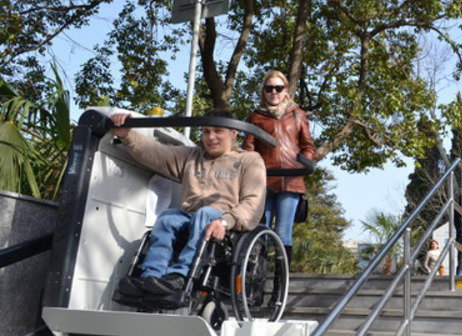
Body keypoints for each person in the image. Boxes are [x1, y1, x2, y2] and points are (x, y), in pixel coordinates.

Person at [111, 110, 267, 296]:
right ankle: (150, 276)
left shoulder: (249, 160)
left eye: (218, 131)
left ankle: (180, 275)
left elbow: (253, 203)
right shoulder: (191, 157)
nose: (211, 137)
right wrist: (127, 134)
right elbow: (155, 152)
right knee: (168, 218)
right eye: (206, 131)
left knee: (205, 213)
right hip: (190, 216)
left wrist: (225, 221)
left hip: (223, 221)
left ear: (233, 133)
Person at [243, 70, 316, 265]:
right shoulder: (256, 117)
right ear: (263, 92)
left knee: (283, 232)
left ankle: (280, 282)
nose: (274, 92)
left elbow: (308, 146)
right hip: (263, 180)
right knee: (262, 231)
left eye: (278, 88)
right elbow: (248, 149)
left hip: (291, 180)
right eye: (269, 88)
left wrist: (303, 162)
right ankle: (259, 278)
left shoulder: (297, 115)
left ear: (286, 90)